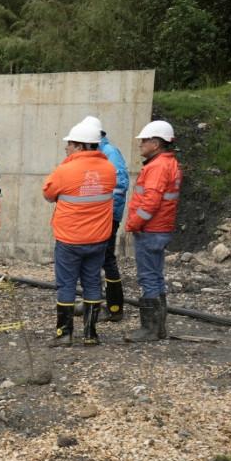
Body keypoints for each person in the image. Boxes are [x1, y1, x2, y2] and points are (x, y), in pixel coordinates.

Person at [42, 122, 117, 347]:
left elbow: (48, 193)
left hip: (70, 239)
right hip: (98, 239)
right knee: (92, 283)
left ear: (79, 146)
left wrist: (67, 165)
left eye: (70, 144)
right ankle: (90, 334)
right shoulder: (109, 169)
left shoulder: (65, 170)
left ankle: (64, 334)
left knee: (66, 285)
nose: (66, 147)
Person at [124, 120, 182, 343]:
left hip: (150, 229)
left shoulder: (157, 167)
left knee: (148, 277)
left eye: (144, 140)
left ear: (156, 144)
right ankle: (158, 328)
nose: (140, 144)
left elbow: (150, 203)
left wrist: (134, 224)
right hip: (161, 228)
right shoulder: (169, 163)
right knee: (156, 277)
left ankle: (150, 329)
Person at [82, 116, 129, 322]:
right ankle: (98, 303)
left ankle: (114, 307)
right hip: (99, 215)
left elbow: (119, 186)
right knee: (96, 259)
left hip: (107, 216)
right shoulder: (98, 153)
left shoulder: (109, 153)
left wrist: (105, 212)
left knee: (106, 258)